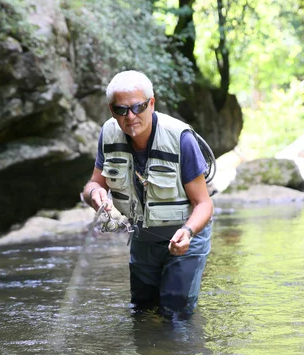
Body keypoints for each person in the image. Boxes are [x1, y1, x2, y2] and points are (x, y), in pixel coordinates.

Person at [82, 70, 214, 315]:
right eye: (122, 110)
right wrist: (95, 194)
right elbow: (92, 185)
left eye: (138, 107)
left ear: (151, 104)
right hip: (143, 237)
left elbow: (204, 204)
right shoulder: (108, 134)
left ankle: (181, 354)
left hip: (186, 235)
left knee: (175, 316)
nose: (130, 117)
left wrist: (187, 232)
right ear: (112, 110)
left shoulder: (181, 139)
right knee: (141, 312)